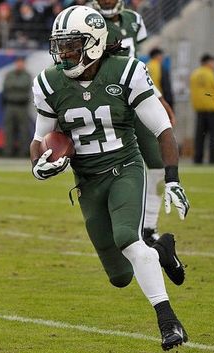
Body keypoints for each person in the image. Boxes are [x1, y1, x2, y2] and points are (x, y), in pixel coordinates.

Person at [30, 6, 190, 350]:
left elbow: (162, 127)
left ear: (95, 42)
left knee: (128, 238)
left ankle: (168, 322)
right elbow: (39, 138)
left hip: (124, 168)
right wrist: (38, 164)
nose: (64, 52)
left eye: (72, 44)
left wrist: (173, 179)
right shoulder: (48, 82)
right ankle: (162, 249)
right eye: (60, 45)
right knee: (119, 277)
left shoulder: (127, 71)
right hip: (86, 181)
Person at [92, 0, 176, 245]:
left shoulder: (133, 20)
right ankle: (114, 226)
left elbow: (137, 64)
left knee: (158, 164)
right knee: (103, 168)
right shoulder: (86, 18)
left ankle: (149, 226)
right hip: (104, 99)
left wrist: (158, 95)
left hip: (133, 96)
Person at [190, 53, 214, 164]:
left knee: (200, 136)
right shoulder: (213, 74)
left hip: (200, 110)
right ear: (208, 62)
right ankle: (213, 159)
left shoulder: (194, 74)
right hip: (213, 109)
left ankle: (197, 158)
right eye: (213, 62)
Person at [2, 56, 32, 157]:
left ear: (24, 64)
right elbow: (6, 86)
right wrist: (16, 86)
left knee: (24, 130)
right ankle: (8, 152)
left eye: (21, 63)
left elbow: (24, 85)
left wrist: (14, 85)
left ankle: (24, 152)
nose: (19, 65)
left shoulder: (27, 75)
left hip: (21, 106)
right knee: (9, 129)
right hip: (10, 105)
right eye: (18, 63)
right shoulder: (9, 74)